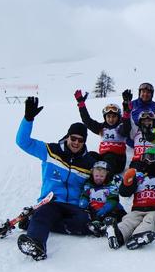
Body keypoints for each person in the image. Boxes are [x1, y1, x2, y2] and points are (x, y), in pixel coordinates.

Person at [15, 97, 96, 260]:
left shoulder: (89, 162)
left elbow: (100, 181)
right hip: (51, 201)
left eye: (80, 140)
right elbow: (23, 142)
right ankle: (36, 243)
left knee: (84, 223)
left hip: (74, 206)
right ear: (67, 137)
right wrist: (28, 119)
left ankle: (34, 222)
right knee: (43, 213)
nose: (76, 142)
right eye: (73, 138)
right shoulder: (50, 151)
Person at [105, 148, 155, 250]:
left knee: (150, 220)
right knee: (129, 220)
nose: (147, 161)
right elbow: (125, 193)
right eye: (144, 158)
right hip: (137, 208)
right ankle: (118, 235)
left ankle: (138, 236)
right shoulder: (139, 177)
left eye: (151, 157)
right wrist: (127, 181)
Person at [74, 90, 128, 173]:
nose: (111, 119)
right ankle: (83, 172)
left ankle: (107, 177)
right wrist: (81, 104)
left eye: (114, 116)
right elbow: (87, 121)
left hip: (118, 161)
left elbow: (126, 128)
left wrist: (126, 111)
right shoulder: (101, 128)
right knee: (90, 155)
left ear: (118, 117)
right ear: (105, 117)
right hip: (103, 158)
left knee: (109, 157)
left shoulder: (120, 127)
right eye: (108, 116)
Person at [80, 160, 126, 237]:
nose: (99, 178)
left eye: (102, 176)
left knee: (115, 214)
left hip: (110, 208)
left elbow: (113, 199)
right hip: (95, 208)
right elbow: (85, 194)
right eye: (96, 176)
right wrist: (83, 201)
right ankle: (97, 226)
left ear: (106, 175)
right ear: (92, 175)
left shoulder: (111, 185)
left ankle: (109, 225)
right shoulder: (88, 185)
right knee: (90, 213)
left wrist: (106, 208)